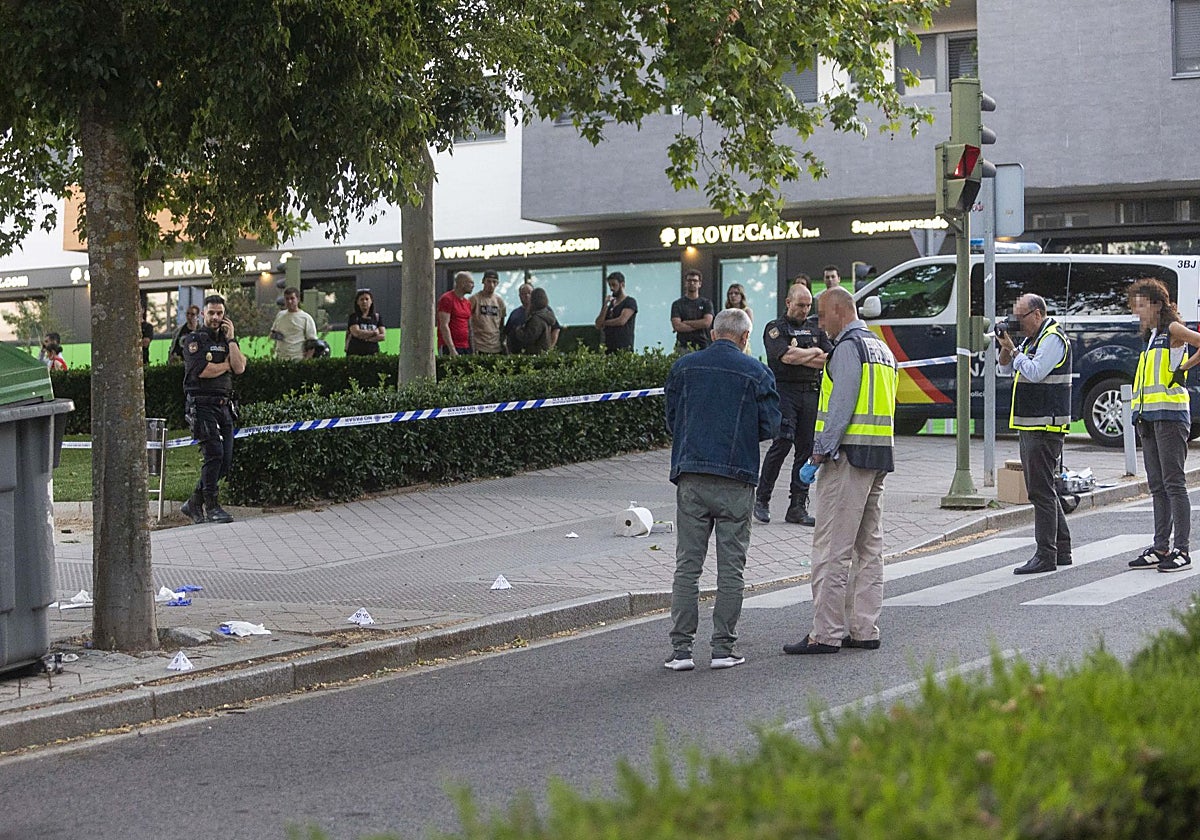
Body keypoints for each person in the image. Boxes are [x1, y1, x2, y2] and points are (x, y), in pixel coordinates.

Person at [663, 308, 781, 671]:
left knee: (687, 566)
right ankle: (722, 649)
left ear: (713, 334)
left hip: (692, 475)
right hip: (737, 478)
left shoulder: (683, 368)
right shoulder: (757, 372)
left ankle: (681, 651)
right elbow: (771, 425)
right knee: (731, 568)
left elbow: (671, 420)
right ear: (745, 338)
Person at [784, 286, 897, 654]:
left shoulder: (848, 348)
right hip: (878, 456)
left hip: (847, 458)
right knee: (869, 548)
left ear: (839, 311)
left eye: (822, 314)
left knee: (832, 547)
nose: (819, 323)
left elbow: (842, 405)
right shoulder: (881, 348)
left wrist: (818, 454)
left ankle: (825, 633)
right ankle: (864, 629)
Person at [996, 293, 1073, 575]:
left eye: (1021, 318)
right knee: (1045, 489)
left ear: (1037, 314)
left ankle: (1045, 554)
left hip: (1045, 426)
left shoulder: (1052, 338)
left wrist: (1014, 351)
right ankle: (1062, 549)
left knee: (1040, 492)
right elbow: (1004, 368)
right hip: (1032, 424)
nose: (1017, 323)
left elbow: (1036, 371)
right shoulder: (1032, 339)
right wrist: (1006, 346)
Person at [1126, 278, 1200, 572]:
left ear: (1157, 305)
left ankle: (1182, 549)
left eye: (1141, 305)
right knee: (1157, 485)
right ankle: (1160, 547)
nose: (1137, 311)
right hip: (1149, 418)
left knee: (1174, 484)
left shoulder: (1172, 329)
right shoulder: (1151, 336)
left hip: (1170, 417)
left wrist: (1183, 368)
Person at [755, 282, 832, 526]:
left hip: (810, 392)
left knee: (806, 449)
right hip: (785, 391)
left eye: (808, 306)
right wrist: (814, 352)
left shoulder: (816, 328)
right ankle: (762, 499)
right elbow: (786, 357)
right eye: (800, 305)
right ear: (788, 303)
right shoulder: (775, 328)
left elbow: (829, 359)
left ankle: (797, 506)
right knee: (782, 442)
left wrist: (803, 356)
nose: (805, 310)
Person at [180, 294, 246, 525]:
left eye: (220, 313)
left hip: (223, 405)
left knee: (225, 460)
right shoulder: (194, 339)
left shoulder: (228, 341)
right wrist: (226, 365)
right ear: (203, 314)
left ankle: (194, 502)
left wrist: (232, 339)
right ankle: (212, 506)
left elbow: (239, 367)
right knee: (214, 453)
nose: (216, 317)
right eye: (211, 313)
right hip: (202, 404)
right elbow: (202, 370)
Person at [670, 269, 715, 352]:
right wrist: (699, 324)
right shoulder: (677, 304)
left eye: (695, 281)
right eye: (689, 280)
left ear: (700, 284)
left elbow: (706, 323)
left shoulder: (706, 303)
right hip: (682, 346)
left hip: (702, 345)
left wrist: (685, 322)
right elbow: (677, 326)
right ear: (685, 283)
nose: (692, 283)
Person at [595, 271, 638, 353]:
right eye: (610, 285)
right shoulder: (610, 304)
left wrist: (604, 323)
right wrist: (605, 306)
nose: (611, 288)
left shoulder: (629, 302)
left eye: (614, 285)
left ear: (622, 285)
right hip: (609, 348)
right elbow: (598, 324)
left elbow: (621, 320)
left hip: (624, 348)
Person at [270, 287, 317, 360]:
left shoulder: (306, 318)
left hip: (297, 358)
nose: (289, 301)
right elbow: (273, 332)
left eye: (292, 298)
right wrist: (275, 335)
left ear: (298, 299)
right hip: (281, 357)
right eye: (287, 299)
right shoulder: (280, 315)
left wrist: (306, 360)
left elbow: (312, 343)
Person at [469, 270, 507, 354]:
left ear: (497, 283)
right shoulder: (474, 299)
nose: (491, 285)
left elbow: (501, 325)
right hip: (479, 345)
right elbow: (467, 322)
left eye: (494, 282)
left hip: (496, 346)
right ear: (483, 281)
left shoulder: (499, 301)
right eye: (489, 281)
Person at [437, 271, 474, 355]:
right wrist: (452, 348)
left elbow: (469, 327)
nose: (473, 286)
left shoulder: (467, 303)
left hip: (465, 346)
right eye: (471, 283)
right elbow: (444, 325)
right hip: (449, 346)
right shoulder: (447, 299)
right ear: (462, 283)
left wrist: (472, 348)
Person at [512, 287, 557, 354]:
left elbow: (529, 337)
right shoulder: (546, 314)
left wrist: (519, 330)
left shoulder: (537, 319)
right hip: (543, 352)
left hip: (535, 353)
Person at [345, 288, 386, 356]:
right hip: (355, 354)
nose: (364, 301)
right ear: (357, 302)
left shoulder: (377, 317)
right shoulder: (354, 317)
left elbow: (382, 336)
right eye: (361, 299)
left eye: (367, 299)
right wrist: (374, 333)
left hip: (373, 354)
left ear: (371, 301)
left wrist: (367, 339)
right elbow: (356, 333)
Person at [504, 283, 534, 354]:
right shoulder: (515, 313)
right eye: (524, 294)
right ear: (520, 296)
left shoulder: (542, 311)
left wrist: (549, 348)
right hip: (516, 354)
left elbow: (555, 329)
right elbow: (507, 333)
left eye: (529, 293)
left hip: (536, 353)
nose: (527, 296)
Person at [724, 283, 754, 355]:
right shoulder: (726, 312)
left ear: (742, 296)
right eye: (730, 293)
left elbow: (748, 329)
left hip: (742, 343)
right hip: (728, 343)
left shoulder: (747, 311)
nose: (733, 296)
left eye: (736, 293)